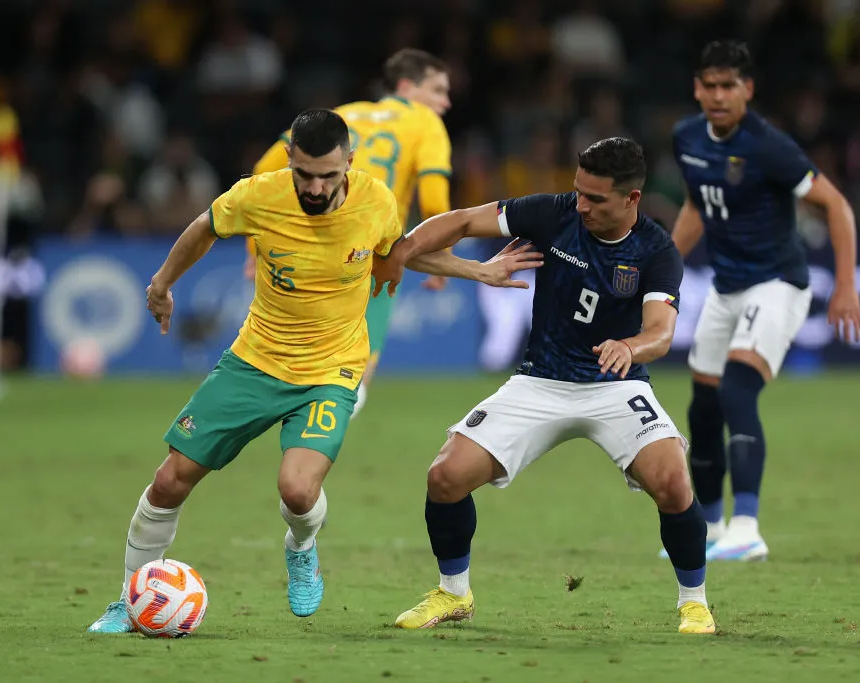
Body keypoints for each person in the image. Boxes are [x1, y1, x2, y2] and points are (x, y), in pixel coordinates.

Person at [87, 109, 539, 633]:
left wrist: (474, 269)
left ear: (349, 162)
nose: (317, 186)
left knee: (298, 491)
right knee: (170, 481)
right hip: (254, 362)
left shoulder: (376, 201)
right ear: (290, 161)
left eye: (329, 175)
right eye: (305, 174)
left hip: (332, 370)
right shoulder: (258, 195)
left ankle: (301, 546)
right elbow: (204, 229)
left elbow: (399, 255)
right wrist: (162, 284)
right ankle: (128, 599)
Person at [372, 137, 717, 635]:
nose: (582, 206)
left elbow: (661, 333)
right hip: (540, 381)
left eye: (595, 199)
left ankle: (695, 602)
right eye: (579, 191)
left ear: (631, 199)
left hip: (615, 385)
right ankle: (453, 593)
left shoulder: (656, 251)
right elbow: (465, 220)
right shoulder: (554, 214)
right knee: (445, 477)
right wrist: (401, 251)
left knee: (673, 481)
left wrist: (630, 347)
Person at [669, 41, 860, 562]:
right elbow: (696, 204)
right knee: (703, 407)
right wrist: (664, 264)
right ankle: (708, 528)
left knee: (737, 391)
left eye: (728, 85)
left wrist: (845, 286)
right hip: (727, 286)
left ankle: (747, 527)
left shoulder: (768, 146)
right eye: (709, 85)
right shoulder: (686, 138)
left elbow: (836, 206)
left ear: (747, 90)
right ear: (696, 88)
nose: (717, 95)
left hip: (778, 283)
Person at [246, 48, 454, 419]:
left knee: (292, 364)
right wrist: (443, 259)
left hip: (306, 247)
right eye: (438, 90)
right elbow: (435, 200)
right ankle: (307, 464)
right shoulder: (424, 122)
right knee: (351, 383)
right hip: (370, 254)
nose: (446, 101)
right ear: (407, 87)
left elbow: (262, 171)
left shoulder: (341, 114)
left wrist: (253, 251)